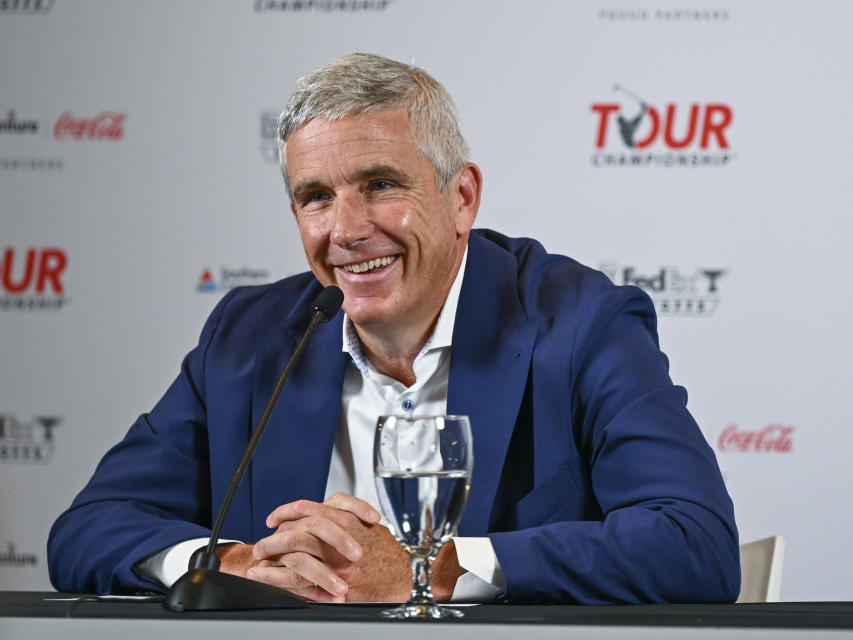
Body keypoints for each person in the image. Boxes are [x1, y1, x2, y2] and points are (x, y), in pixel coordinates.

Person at [48, 53, 739, 604]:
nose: (347, 230)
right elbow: (89, 529)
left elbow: (694, 543)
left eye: (379, 184)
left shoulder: (582, 322)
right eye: (316, 197)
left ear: (461, 197)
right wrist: (233, 565)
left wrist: (431, 571)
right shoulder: (249, 337)